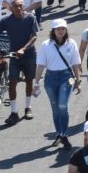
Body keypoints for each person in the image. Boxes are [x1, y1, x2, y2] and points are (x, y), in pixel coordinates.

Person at [33, 18, 82, 148]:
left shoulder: (71, 43)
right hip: (50, 77)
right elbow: (41, 65)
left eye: (62, 29)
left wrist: (78, 80)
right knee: (55, 109)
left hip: (66, 77)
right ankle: (59, 134)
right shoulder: (45, 44)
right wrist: (36, 83)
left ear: (66, 30)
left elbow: (76, 63)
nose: (60, 31)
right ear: (53, 31)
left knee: (62, 106)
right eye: (58, 29)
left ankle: (64, 134)